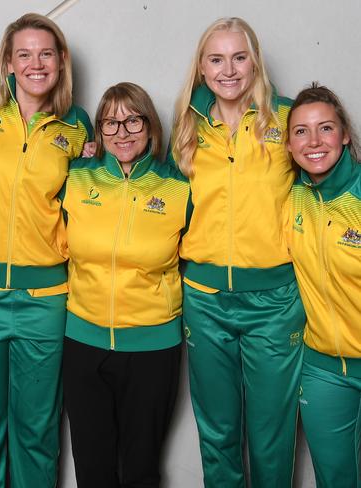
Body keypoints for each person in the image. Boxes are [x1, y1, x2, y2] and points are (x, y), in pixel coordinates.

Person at [0, 13, 92, 487]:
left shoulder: (77, 127)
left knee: (37, 431)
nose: (35, 63)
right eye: (23, 54)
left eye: (46, 53)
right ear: (8, 61)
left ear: (61, 60)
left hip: (45, 299)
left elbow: (99, 197)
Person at [168, 17, 306, 487]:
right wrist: (95, 155)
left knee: (271, 435)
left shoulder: (287, 119)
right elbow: (158, 195)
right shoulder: (188, 126)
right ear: (203, 69)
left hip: (273, 302)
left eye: (239, 56)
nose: (229, 69)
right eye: (217, 59)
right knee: (218, 434)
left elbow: (330, 170)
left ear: (255, 62)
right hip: (205, 300)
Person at [61, 82, 190, 488]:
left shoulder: (180, 186)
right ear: (98, 131)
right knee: (94, 471)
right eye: (111, 123)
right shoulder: (76, 178)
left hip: (153, 349)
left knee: (141, 471)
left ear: (150, 126)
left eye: (132, 119)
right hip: (84, 343)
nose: (122, 131)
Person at [285, 84, 361, 487]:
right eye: (300, 131)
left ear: (345, 134)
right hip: (323, 369)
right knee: (334, 479)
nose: (313, 142)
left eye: (325, 128)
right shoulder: (291, 197)